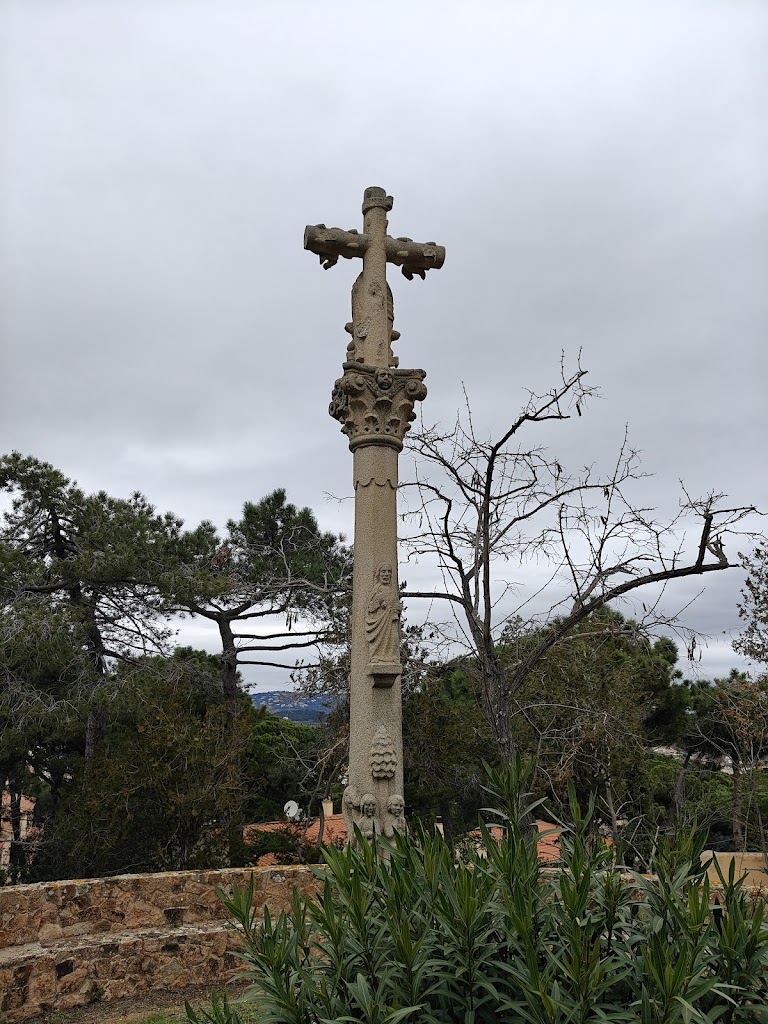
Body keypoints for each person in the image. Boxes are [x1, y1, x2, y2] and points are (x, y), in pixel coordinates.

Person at [366, 563, 401, 664]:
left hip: (391, 620)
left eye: (389, 572)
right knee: (378, 638)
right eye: (383, 572)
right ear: (379, 574)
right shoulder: (377, 589)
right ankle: (376, 656)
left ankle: (391, 656)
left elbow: (396, 602)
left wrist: (398, 608)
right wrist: (379, 602)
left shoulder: (392, 590)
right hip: (379, 620)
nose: (386, 574)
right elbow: (370, 608)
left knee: (392, 637)